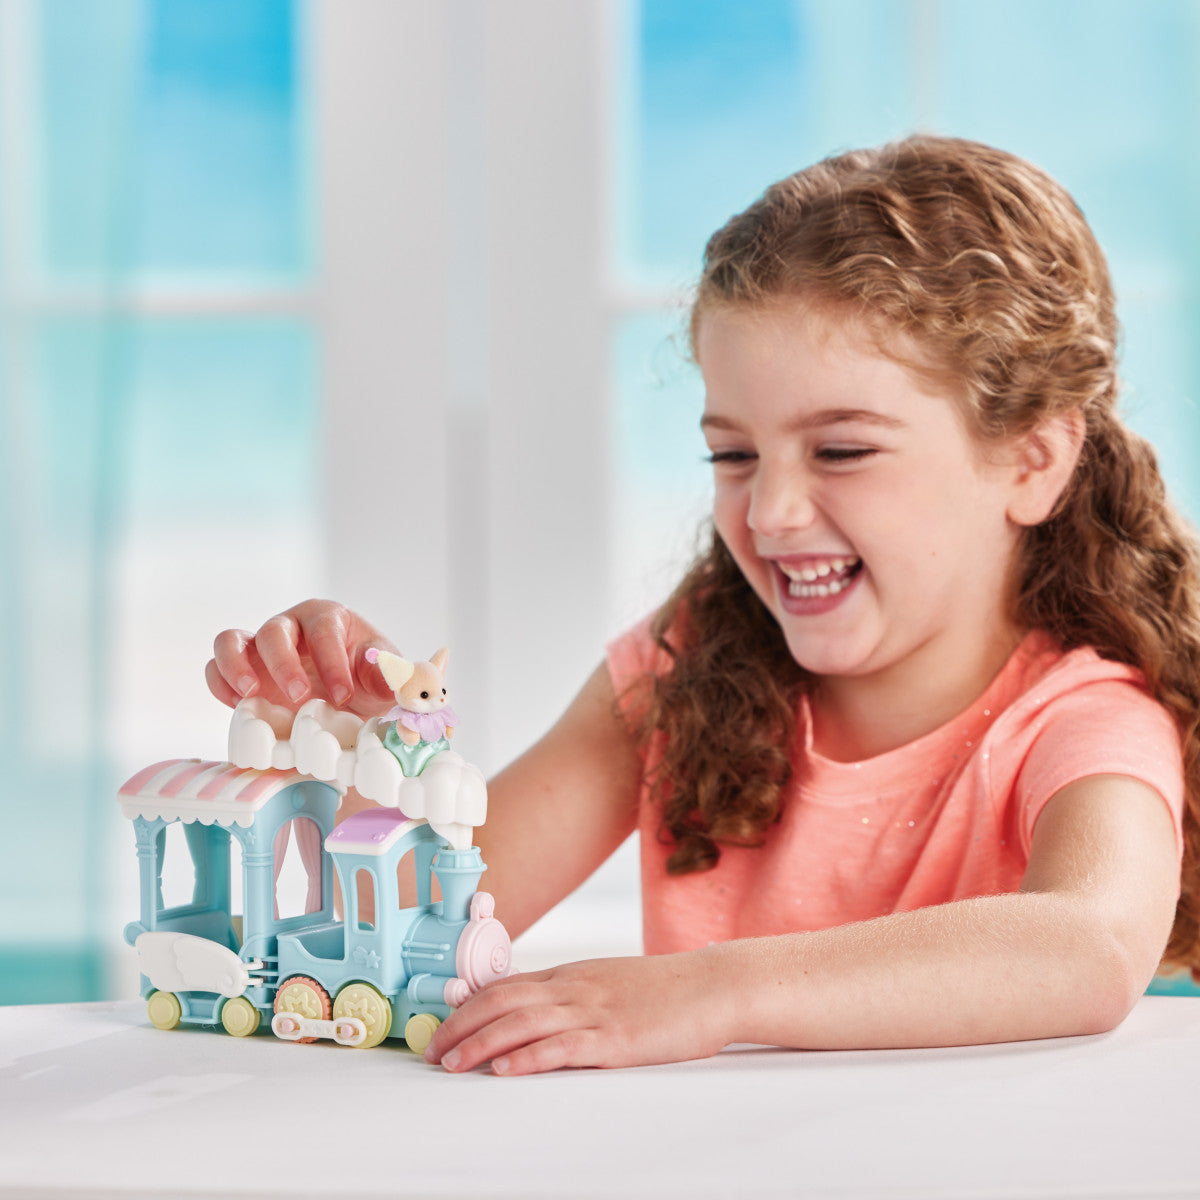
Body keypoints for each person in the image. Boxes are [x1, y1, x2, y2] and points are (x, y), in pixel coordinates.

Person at [207, 135, 1200, 1076]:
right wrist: (380, 764)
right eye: (733, 454)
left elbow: (1089, 943)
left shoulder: (1082, 720)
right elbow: (419, 921)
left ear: (1032, 459)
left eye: (843, 449)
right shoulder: (681, 675)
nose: (768, 509)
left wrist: (710, 993)